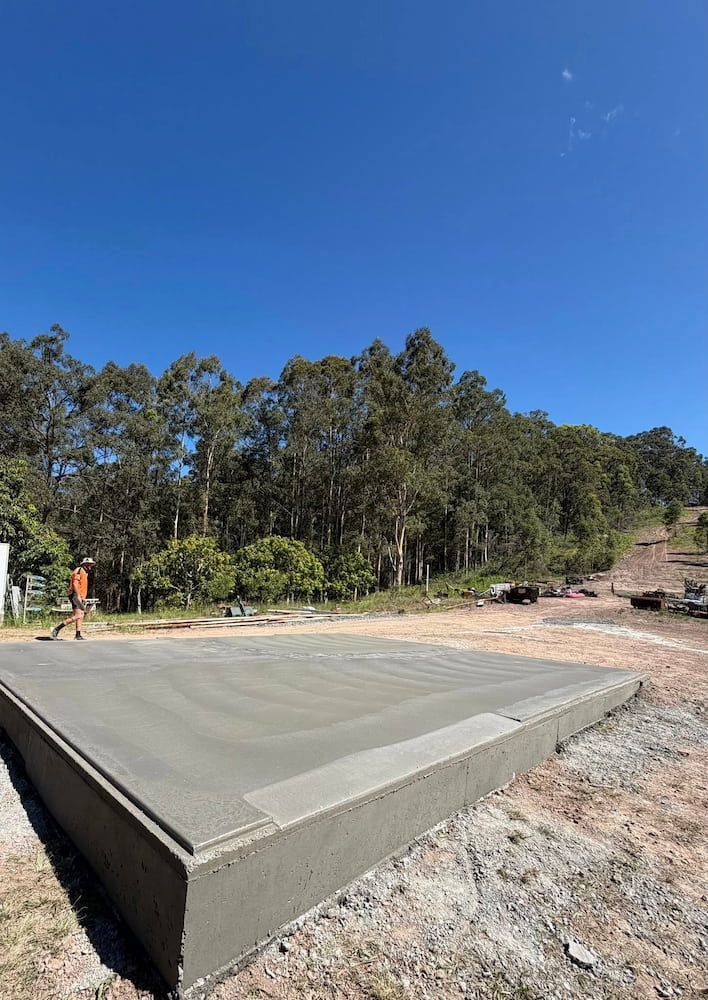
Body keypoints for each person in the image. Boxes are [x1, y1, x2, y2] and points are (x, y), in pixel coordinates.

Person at [51, 557, 96, 640]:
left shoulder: (85, 573)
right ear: (84, 565)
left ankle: (78, 634)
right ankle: (57, 629)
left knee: (81, 615)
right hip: (75, 595)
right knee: (78, 615)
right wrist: (78, 596)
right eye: (88, 564)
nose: (90, 566)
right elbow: (75, 584)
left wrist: (82, 597)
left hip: (79, 596)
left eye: (91, 565)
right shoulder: (79, 570)